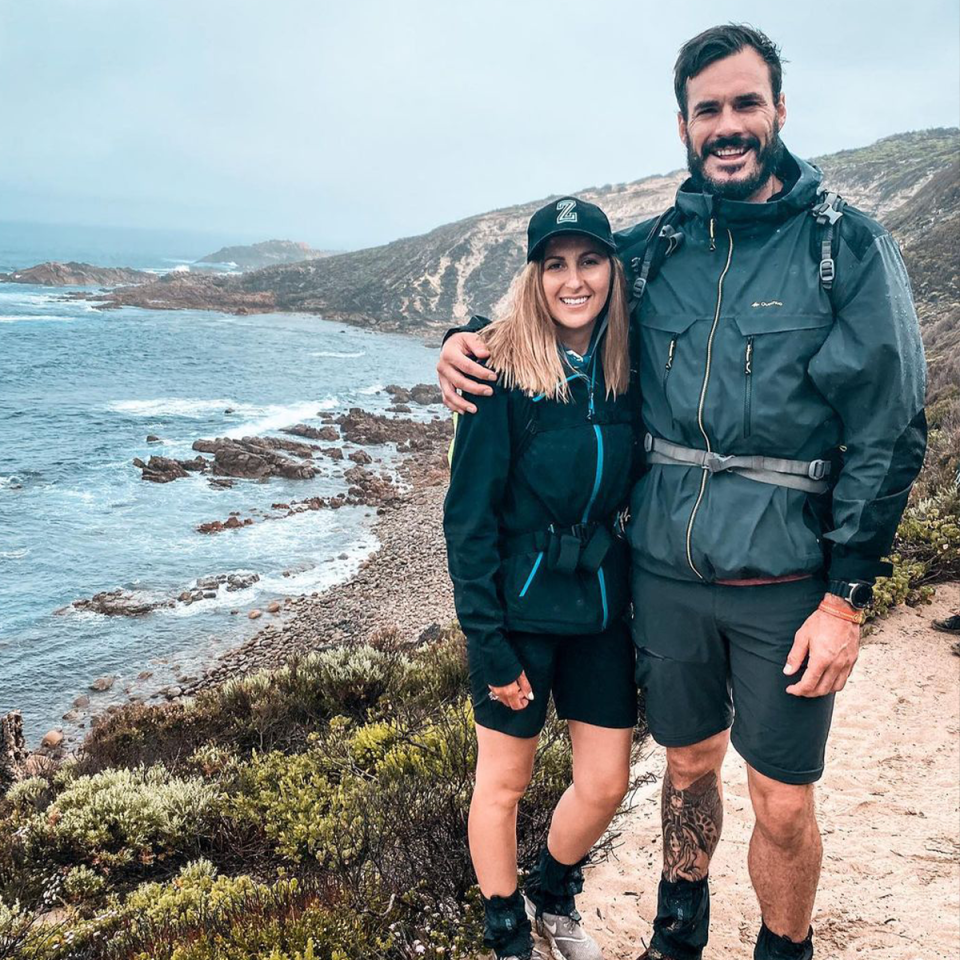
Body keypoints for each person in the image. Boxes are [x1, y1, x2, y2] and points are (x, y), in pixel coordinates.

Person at [438, 24, 927, 960]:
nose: (730, 125)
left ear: (780, 110)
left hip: (786, 579)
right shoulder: (655, 248)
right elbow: (558, 287)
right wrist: (465, 340)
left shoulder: (850, 250)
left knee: (781, 798)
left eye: (748, 104)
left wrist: (847, 597)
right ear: (684, 126)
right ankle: (679, 925)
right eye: (710, 110)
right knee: (688, 765)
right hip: (662, 573)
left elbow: (889, 430)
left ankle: (785, 947)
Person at [444, 197, 640, 960]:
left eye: (589, 261)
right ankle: (505, 930)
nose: (573, 280)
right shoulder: (495, 371)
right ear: (534, 276)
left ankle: (553, 892)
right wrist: (486, 645)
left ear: (611, 270)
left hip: (598, 613)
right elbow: (468, 521)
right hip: (518, 618)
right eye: (554, 264)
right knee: (503, 783)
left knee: (605, 783)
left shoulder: (628, 367)